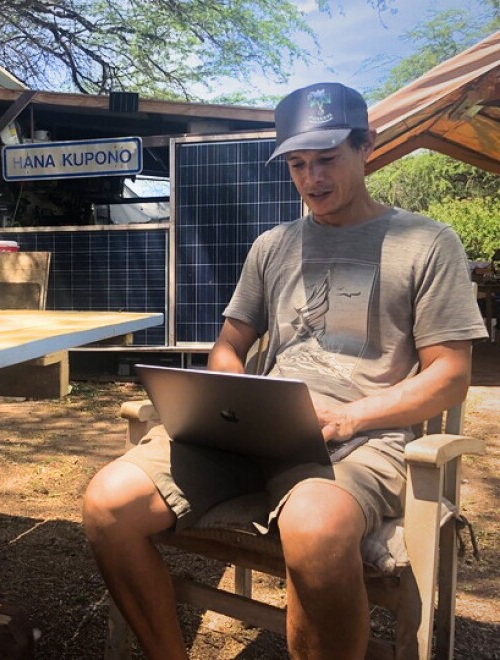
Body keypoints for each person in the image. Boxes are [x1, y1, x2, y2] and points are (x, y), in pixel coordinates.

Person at [82, 82, 488, 659]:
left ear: (366, 145)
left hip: (360, 437)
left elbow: (449, 374)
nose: (312, 179)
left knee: (315, 528)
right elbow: (229, 345)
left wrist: (348, 419)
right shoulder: (274, 246)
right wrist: (233, 395)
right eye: (298, 164)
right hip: (255, 426)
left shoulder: (425, 243)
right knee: (107, 504)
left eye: (326, 160)